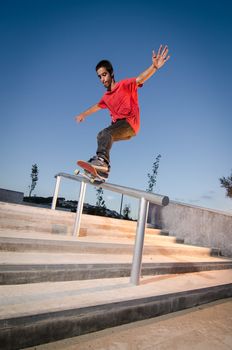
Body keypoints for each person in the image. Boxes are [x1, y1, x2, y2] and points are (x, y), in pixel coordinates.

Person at [75, 45, 170, 179]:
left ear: (111, 73)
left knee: (105, 134)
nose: (102, 79)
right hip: (121, 129)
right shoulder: (106, 97)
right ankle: (102, 171)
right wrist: (83, 114)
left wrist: (154, 67)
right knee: (101, 136)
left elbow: (140, 79)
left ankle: (101, 162)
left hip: (129, 123)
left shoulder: (124, 85)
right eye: (99, 77)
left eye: (104, 74)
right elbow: (97, 106)